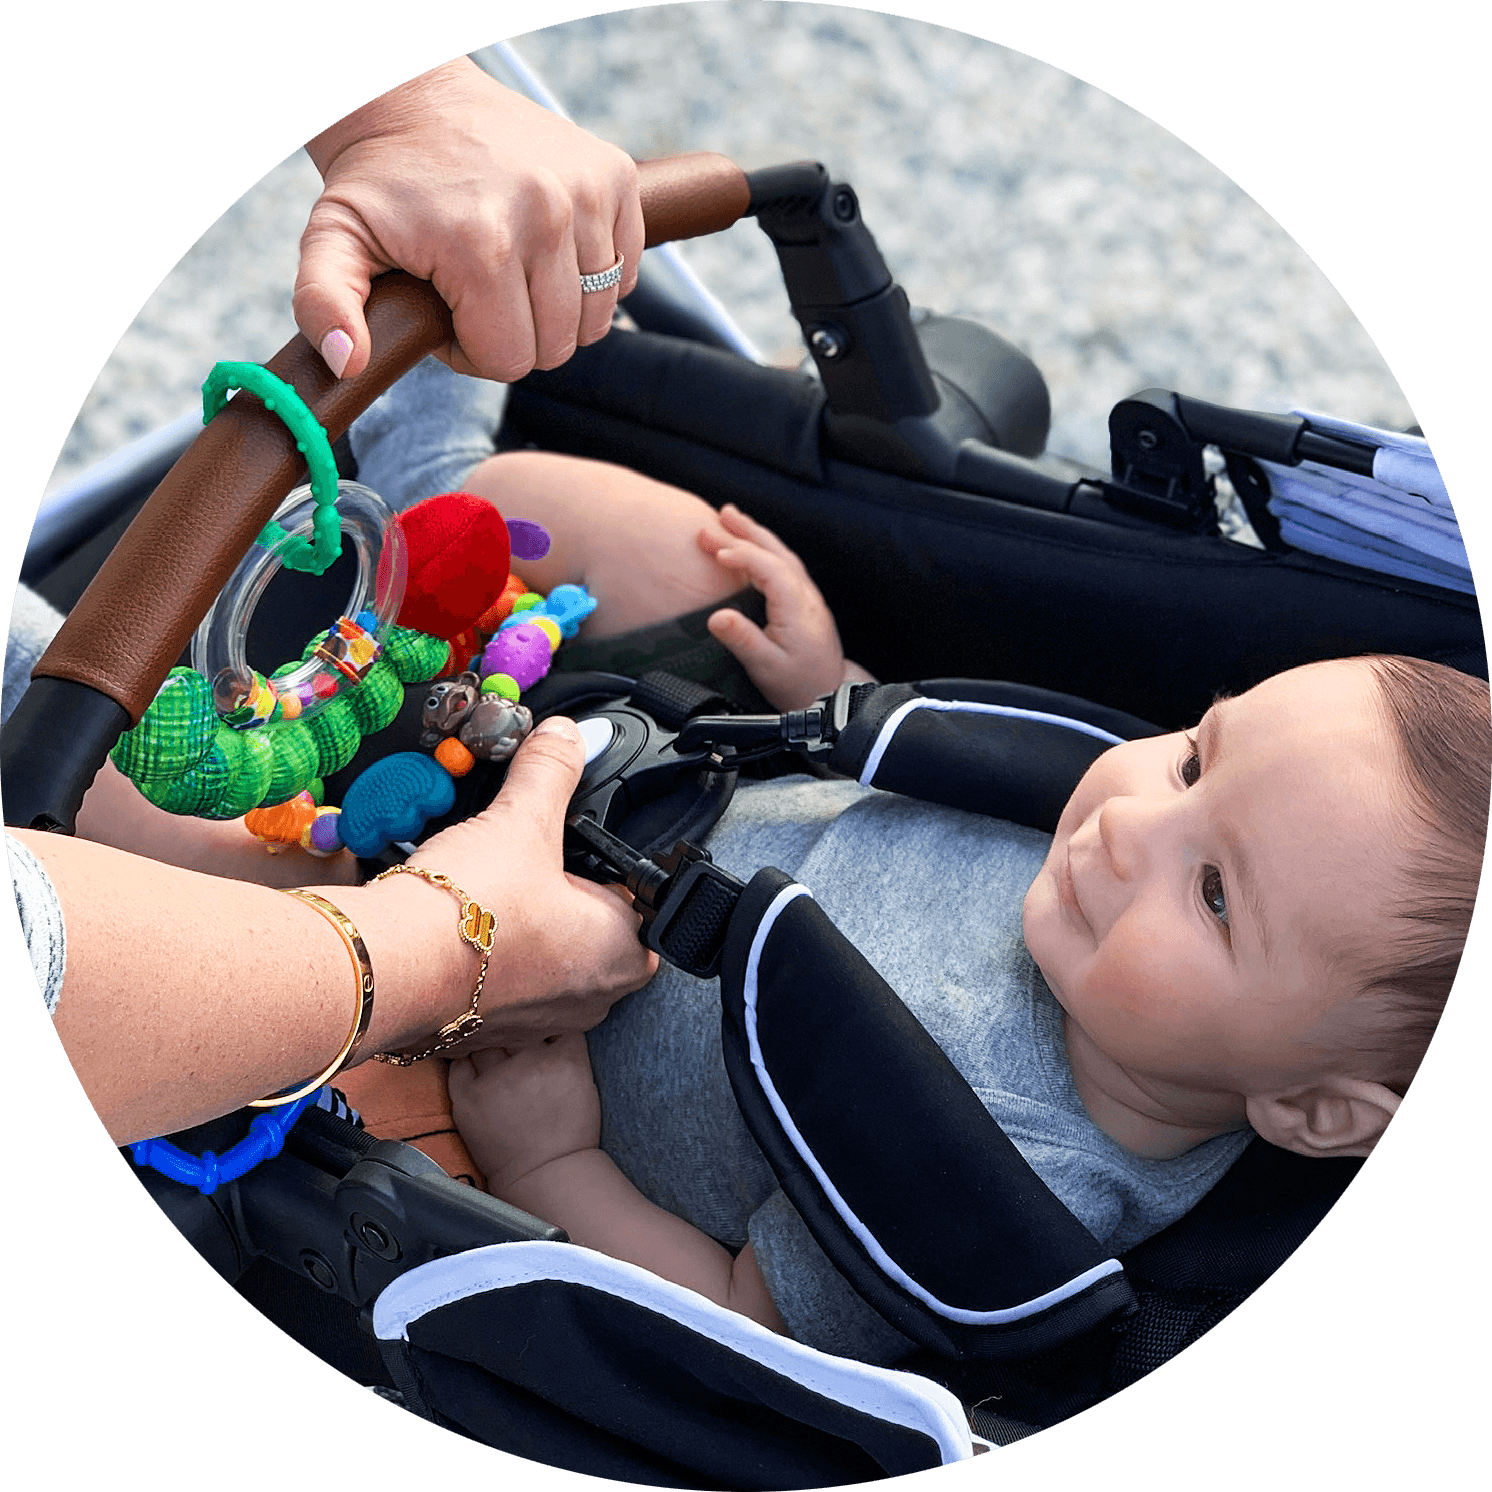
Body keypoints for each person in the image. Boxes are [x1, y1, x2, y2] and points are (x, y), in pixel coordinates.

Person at [352, 394, 1484, 1365]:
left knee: (306, 999)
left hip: (480, 1016)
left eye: (1217, 896)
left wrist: (548, 1158)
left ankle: (221, 722)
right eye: (1195, 753)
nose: (1138, 821)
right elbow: (933, 792)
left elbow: (740, 1322)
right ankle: (403, 495)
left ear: (1315, 1110)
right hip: (638, 755)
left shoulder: (1005, 1183)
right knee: (683, 549)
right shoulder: (1100, 876)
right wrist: (832, 684)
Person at [9, 56, 656, 1146]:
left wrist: (547, 1152)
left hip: (296, 963)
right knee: (494, 506)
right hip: (378, 894)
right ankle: (441, 441)